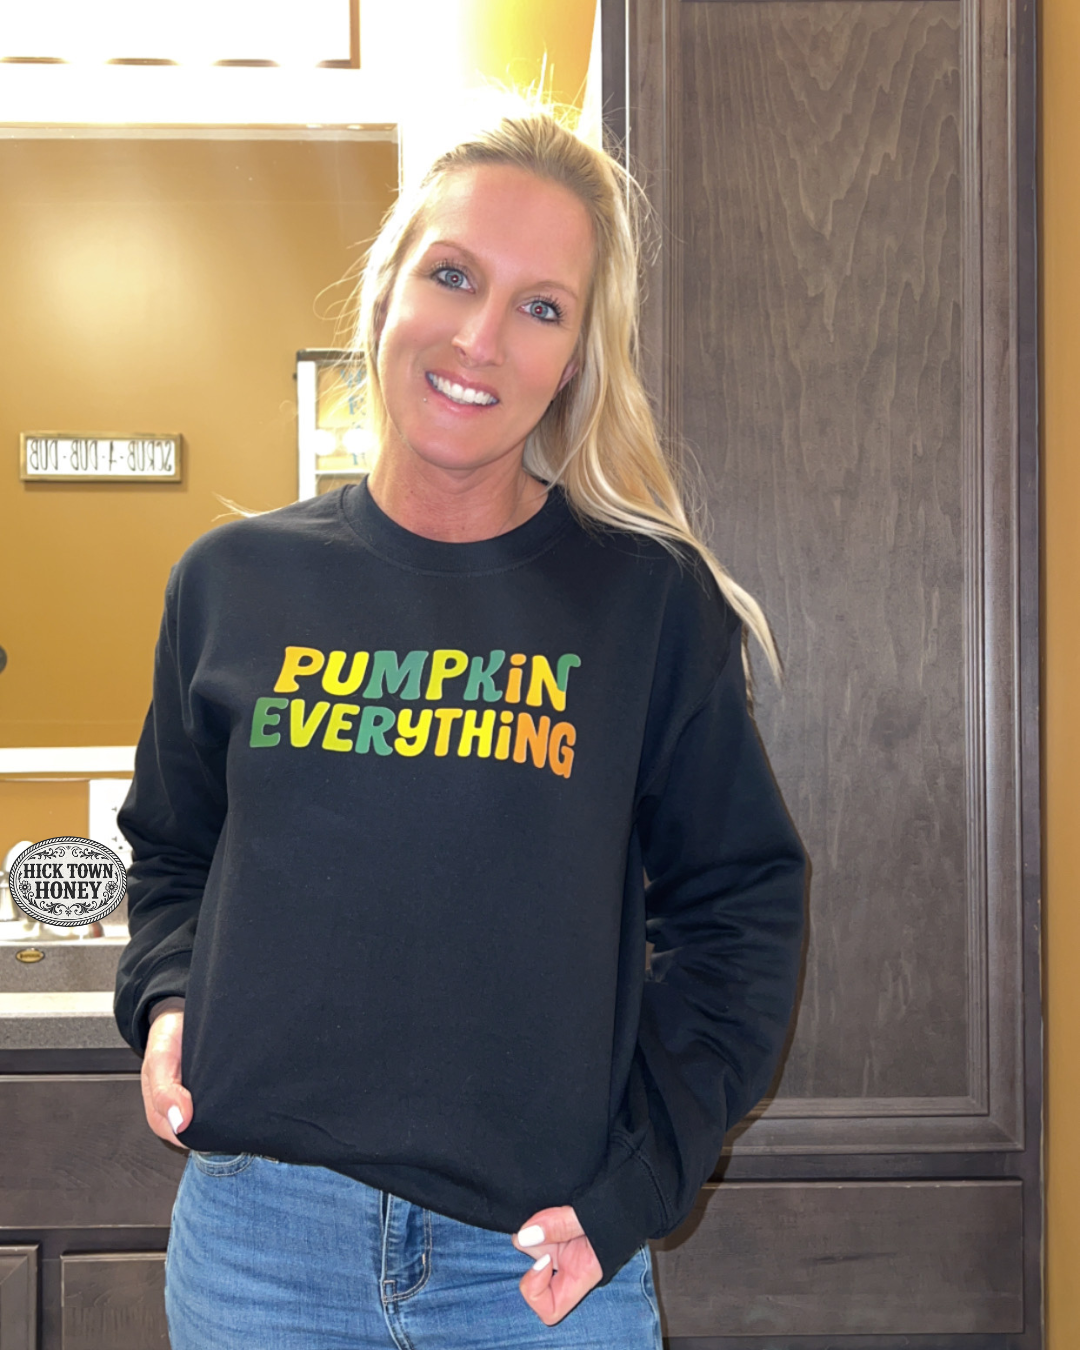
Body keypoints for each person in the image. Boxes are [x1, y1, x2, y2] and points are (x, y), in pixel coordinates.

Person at [114, 103, 807, 1350]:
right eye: (453, 275)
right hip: (262, 1250)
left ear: (577, 358)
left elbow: (740, 905)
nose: (482, 337)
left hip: (536, 1268)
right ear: (386, 290)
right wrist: (170, 1000)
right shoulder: (229, 583)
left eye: (543, 307)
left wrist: (635, 1188)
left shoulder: (646, 603)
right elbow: (172, 856)